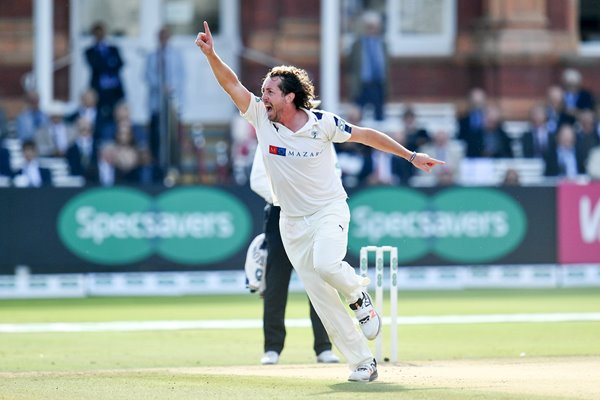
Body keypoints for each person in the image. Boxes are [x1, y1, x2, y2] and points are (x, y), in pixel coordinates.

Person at [195, 21, 444, 382]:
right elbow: (231, 84)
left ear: (289, 97)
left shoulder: (322, 123)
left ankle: (360, 298)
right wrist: (211, 55)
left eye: (269, 92)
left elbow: (365, 136)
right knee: (323, 301)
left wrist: (409, 156)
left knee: (329, 264)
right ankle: (362, 363)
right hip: (291, 223)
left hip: (329, 211)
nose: (262, 97)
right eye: (263, 91)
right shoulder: (261, 120)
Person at [250, 147, 339, 366]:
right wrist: (286, 198)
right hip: (281, 213)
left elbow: (333, 173)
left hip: (314, 213)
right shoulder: (268, 135)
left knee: (319, 282)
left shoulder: (318, 134)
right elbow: (257, 179)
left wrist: (310, 197)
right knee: (276, 284)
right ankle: (272, 348)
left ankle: (324, 347)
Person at [145, 27, 185, 166]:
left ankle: (174, 164)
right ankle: (156, 164)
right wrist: (159, 86)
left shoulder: (176, 55)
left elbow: (180, 76)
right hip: (157, 101)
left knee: (173, 134)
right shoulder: (152, 55)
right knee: (156, 134)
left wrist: (171, 88)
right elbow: (148, 75)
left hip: (172, 100)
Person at [84, 22, 125, 143]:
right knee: (99, 117)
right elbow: (96, 66)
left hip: (114, 90)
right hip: (99, 91)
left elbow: (120, 64)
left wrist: (107, 64)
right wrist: (109, 62)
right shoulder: (90, 51)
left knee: (116, 115)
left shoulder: (113, 48)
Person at [347, 11, 388, 121]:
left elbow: (385, 65)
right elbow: (351, 66)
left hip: (378, 83)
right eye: (369, 27)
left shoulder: (382, 44)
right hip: (362, 84)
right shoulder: (357, 45)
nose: (371, 30)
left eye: (374, 27)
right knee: (358, 113)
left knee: (379, 113)